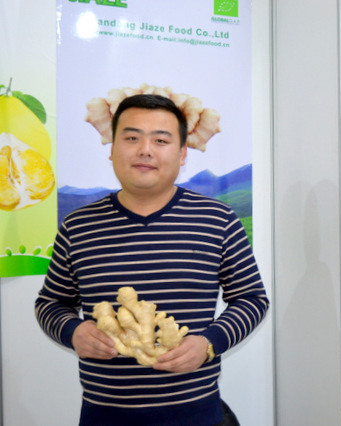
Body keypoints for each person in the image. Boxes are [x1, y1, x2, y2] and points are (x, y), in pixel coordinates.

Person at [35, 94, 269, 425]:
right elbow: (51, 303)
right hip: (104, 415)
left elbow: (252, 299)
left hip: (197, 413)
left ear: (182, 153)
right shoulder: (78, 226)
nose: (145, 150)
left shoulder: (217, 219)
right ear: (112, 148)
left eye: (161, 140)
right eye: (132, 138)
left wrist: (208, 343)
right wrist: (73, 331)